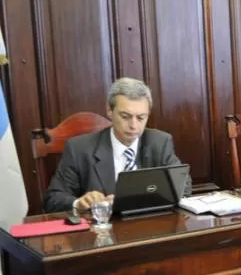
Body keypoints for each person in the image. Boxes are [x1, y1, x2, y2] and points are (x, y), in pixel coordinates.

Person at [44, 77, 187, 213]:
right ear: (109, 110)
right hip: (101, 231)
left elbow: (183, 185)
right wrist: (79, 203)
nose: (133, 125)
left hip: (149, 228)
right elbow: (53, 199)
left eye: (141, 118)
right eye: (125, 117)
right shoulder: (79, 149)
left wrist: (138, 200)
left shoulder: (160, 142)